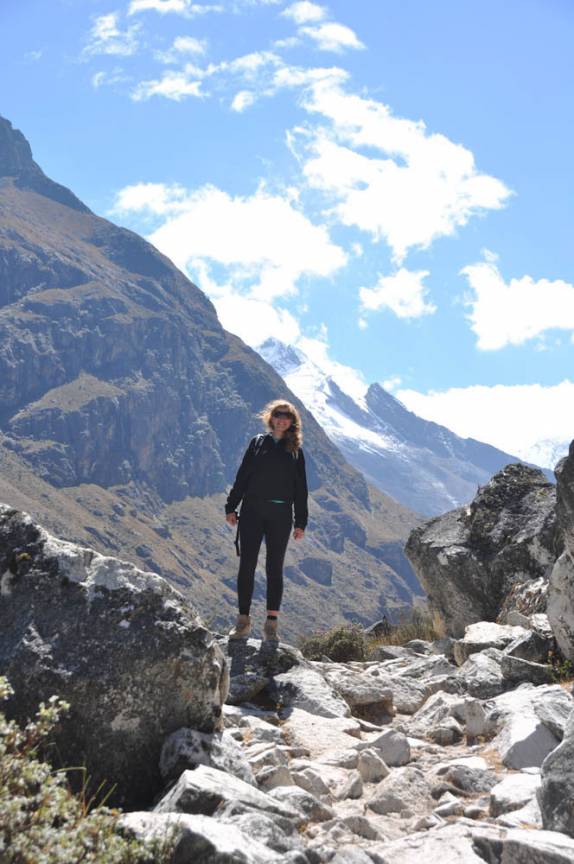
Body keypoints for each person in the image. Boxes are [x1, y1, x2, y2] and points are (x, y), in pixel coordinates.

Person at [225, 399, 308, 642]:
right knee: (247, 565)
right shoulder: (258, 443)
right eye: (278, 414)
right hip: (252, 510)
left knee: (274, 568)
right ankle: (242, 621)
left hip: (280, 515)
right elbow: (243, 476)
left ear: (292, 421)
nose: (282, 419)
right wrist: (231, 506)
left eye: (287, 416)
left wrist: (300, 522)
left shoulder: (296, 451)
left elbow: (301, 489)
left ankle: (271, 626)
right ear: (271, 418)